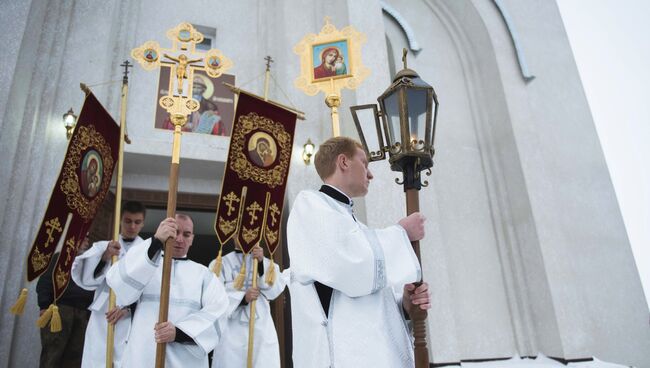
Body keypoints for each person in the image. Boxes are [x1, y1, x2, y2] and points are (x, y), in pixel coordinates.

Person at [287, 136, 431, 367]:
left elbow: (359, 294)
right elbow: (351, 267)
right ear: (343, 162)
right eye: (364, 163)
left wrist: (402, 304)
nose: (370, 174)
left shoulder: (354, 226)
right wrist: (401, 233)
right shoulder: (310, 205)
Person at [106, 214, 229, 367]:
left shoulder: (204, 275)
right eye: (175, 232)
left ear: (192, 239)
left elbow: (219, 312)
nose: (179, 239)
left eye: (186, 234)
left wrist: (178, 333)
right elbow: (120, 280)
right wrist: (156, 241)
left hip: (184, 359)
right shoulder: (146, 263)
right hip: (145, 353)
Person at [71, 201, 147, 368]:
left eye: (137, 222)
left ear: (143, 223)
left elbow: (150, 288)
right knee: (98, 356)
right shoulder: (105, 246)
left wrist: (128, 308)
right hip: (104, 310)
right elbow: (86, 279)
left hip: (132, 314)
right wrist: (104, 258)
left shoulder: (148, 252)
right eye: (127, 221)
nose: (132, 226)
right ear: (120, 220)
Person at [209, 245, 287, 368]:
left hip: (260, 325)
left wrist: (261, 263)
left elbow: (274, 292)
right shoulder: (220, 263)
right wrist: (242, 298)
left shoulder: (265, 263)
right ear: (234, 233)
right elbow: (213, 297)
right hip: (231, 328)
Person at [36, 235, 95, 368]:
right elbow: (45, 282)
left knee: (76, 355)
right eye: (83, 238)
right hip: (60, 310)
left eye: (87, 238)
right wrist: (44, 306)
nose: (87, 241)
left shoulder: (88, 261)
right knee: (53, 352)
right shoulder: (58, 258)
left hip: (82, 313)